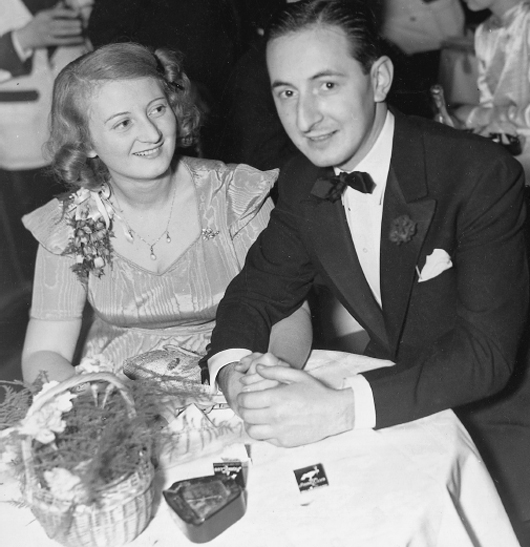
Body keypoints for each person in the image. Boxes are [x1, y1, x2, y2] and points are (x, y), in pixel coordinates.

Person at [204, 0, 530, 542]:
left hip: (498, 421)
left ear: (378, 78)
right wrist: (233, 371)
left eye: (326, 85)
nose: (305, 119)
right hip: (391, 406)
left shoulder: (480, 175)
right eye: (286, 92)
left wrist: (338, 409)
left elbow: (486, 356)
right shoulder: (303, 180)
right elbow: (255, 293)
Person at [21, 42, 311, 386]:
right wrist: (84, 400)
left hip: (231, 377)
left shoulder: (235, 195)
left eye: (157, 109)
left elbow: (290, 313)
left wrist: (273, 375)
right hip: (117, 392)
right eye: (123, 123)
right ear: (86, 143)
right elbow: (44, 353)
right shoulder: (69, 224)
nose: (151, 133)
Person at [0, 0, 92, 287]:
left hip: (83, 138)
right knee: (35, 254)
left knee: (89, 241)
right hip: (19, 146)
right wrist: (21, 39)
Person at [452, 0, 530, 182]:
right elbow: (489, 102)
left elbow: (489, 114)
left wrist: (477, 115)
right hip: (513, 141)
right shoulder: (484, 31)